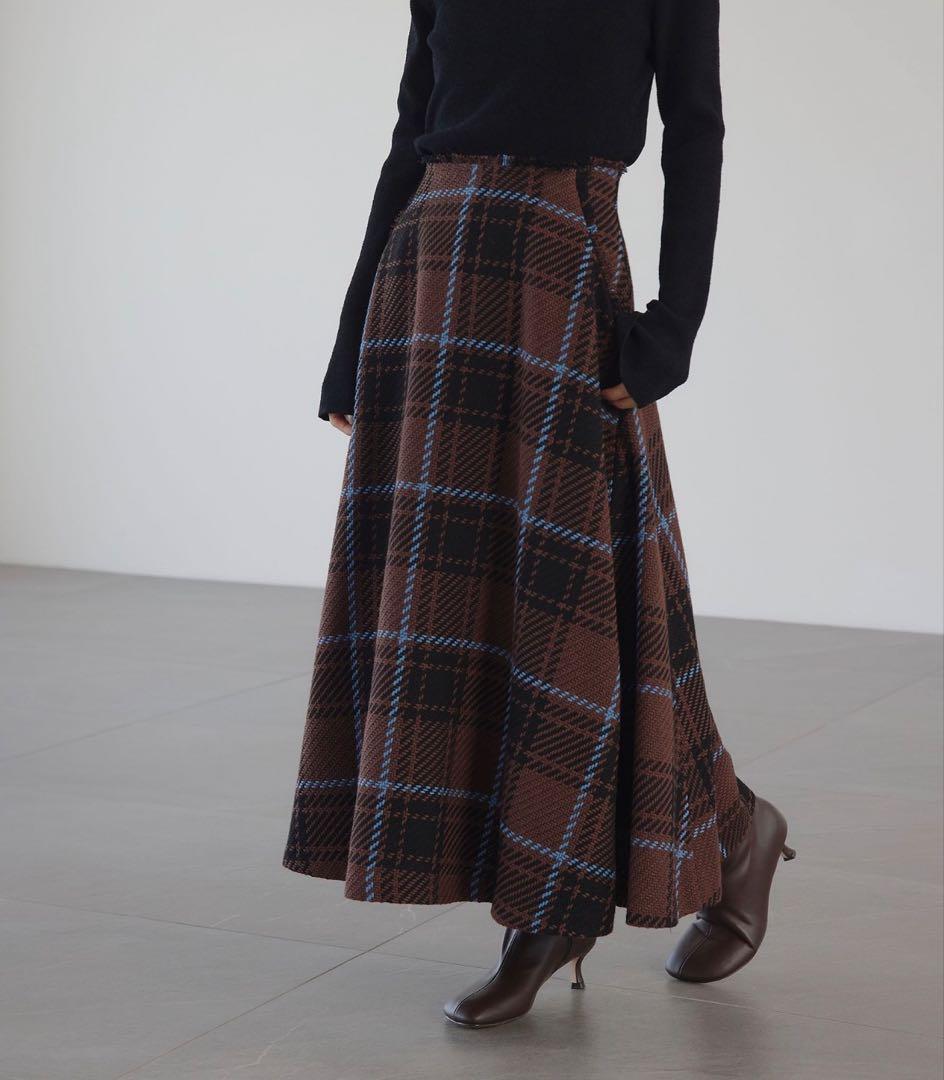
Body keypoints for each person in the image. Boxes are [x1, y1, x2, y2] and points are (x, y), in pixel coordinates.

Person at [284, 0, 794, 1029]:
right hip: (431, 275)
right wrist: (349, 342)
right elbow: (411, 133)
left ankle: (563, 902)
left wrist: (673, 330)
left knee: (576, 603)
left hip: (562, 274)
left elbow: (696, 130)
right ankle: (715, 835)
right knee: (464, 614)